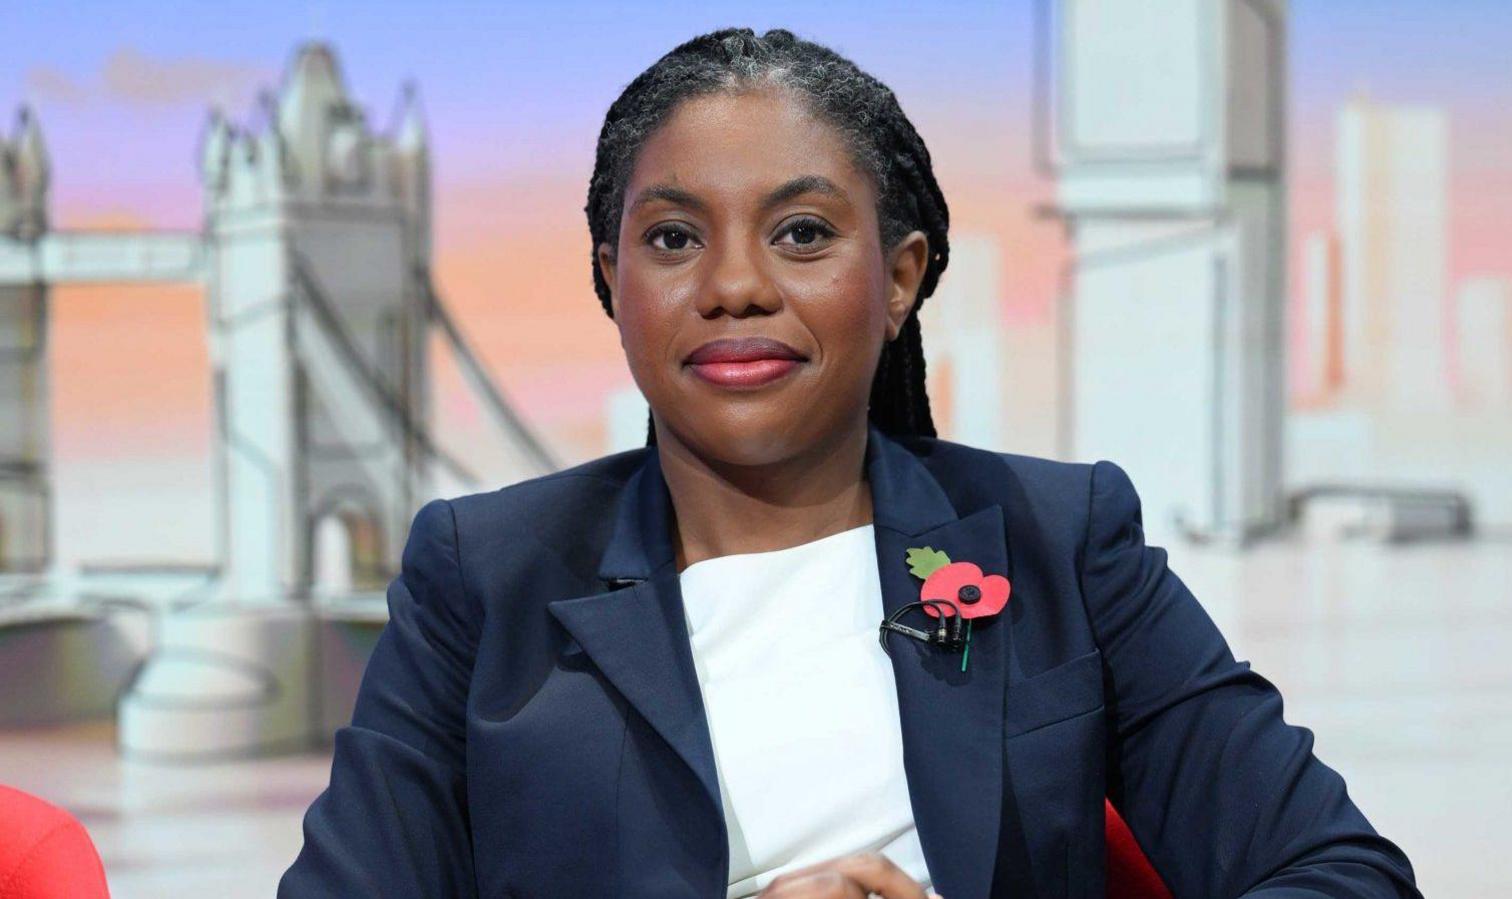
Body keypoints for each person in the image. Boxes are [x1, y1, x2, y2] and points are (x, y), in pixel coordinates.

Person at [280, 27, 1420, 899]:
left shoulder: (1059, 537)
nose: (735, 285)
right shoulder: (481, 576)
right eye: (674, 238)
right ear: (609, 279)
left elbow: (1342, 873)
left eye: (803, 234)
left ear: (902, 275)